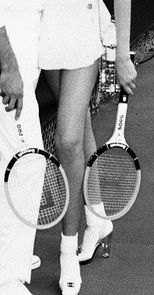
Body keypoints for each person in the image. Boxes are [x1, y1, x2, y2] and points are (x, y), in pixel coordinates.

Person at [39, 0, 137, 294]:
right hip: (43, 29)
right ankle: (97, 219)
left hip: (83, 27)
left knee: (67, 141)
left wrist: (122, 54)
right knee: (80, 130)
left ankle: (67, 251)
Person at [0, 1, 46, 294]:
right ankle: (8, 278)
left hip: (22, 56)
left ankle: (10, 259)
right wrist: (8, 64)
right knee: (28, 164)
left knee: (11, 162)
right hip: (9, 59)